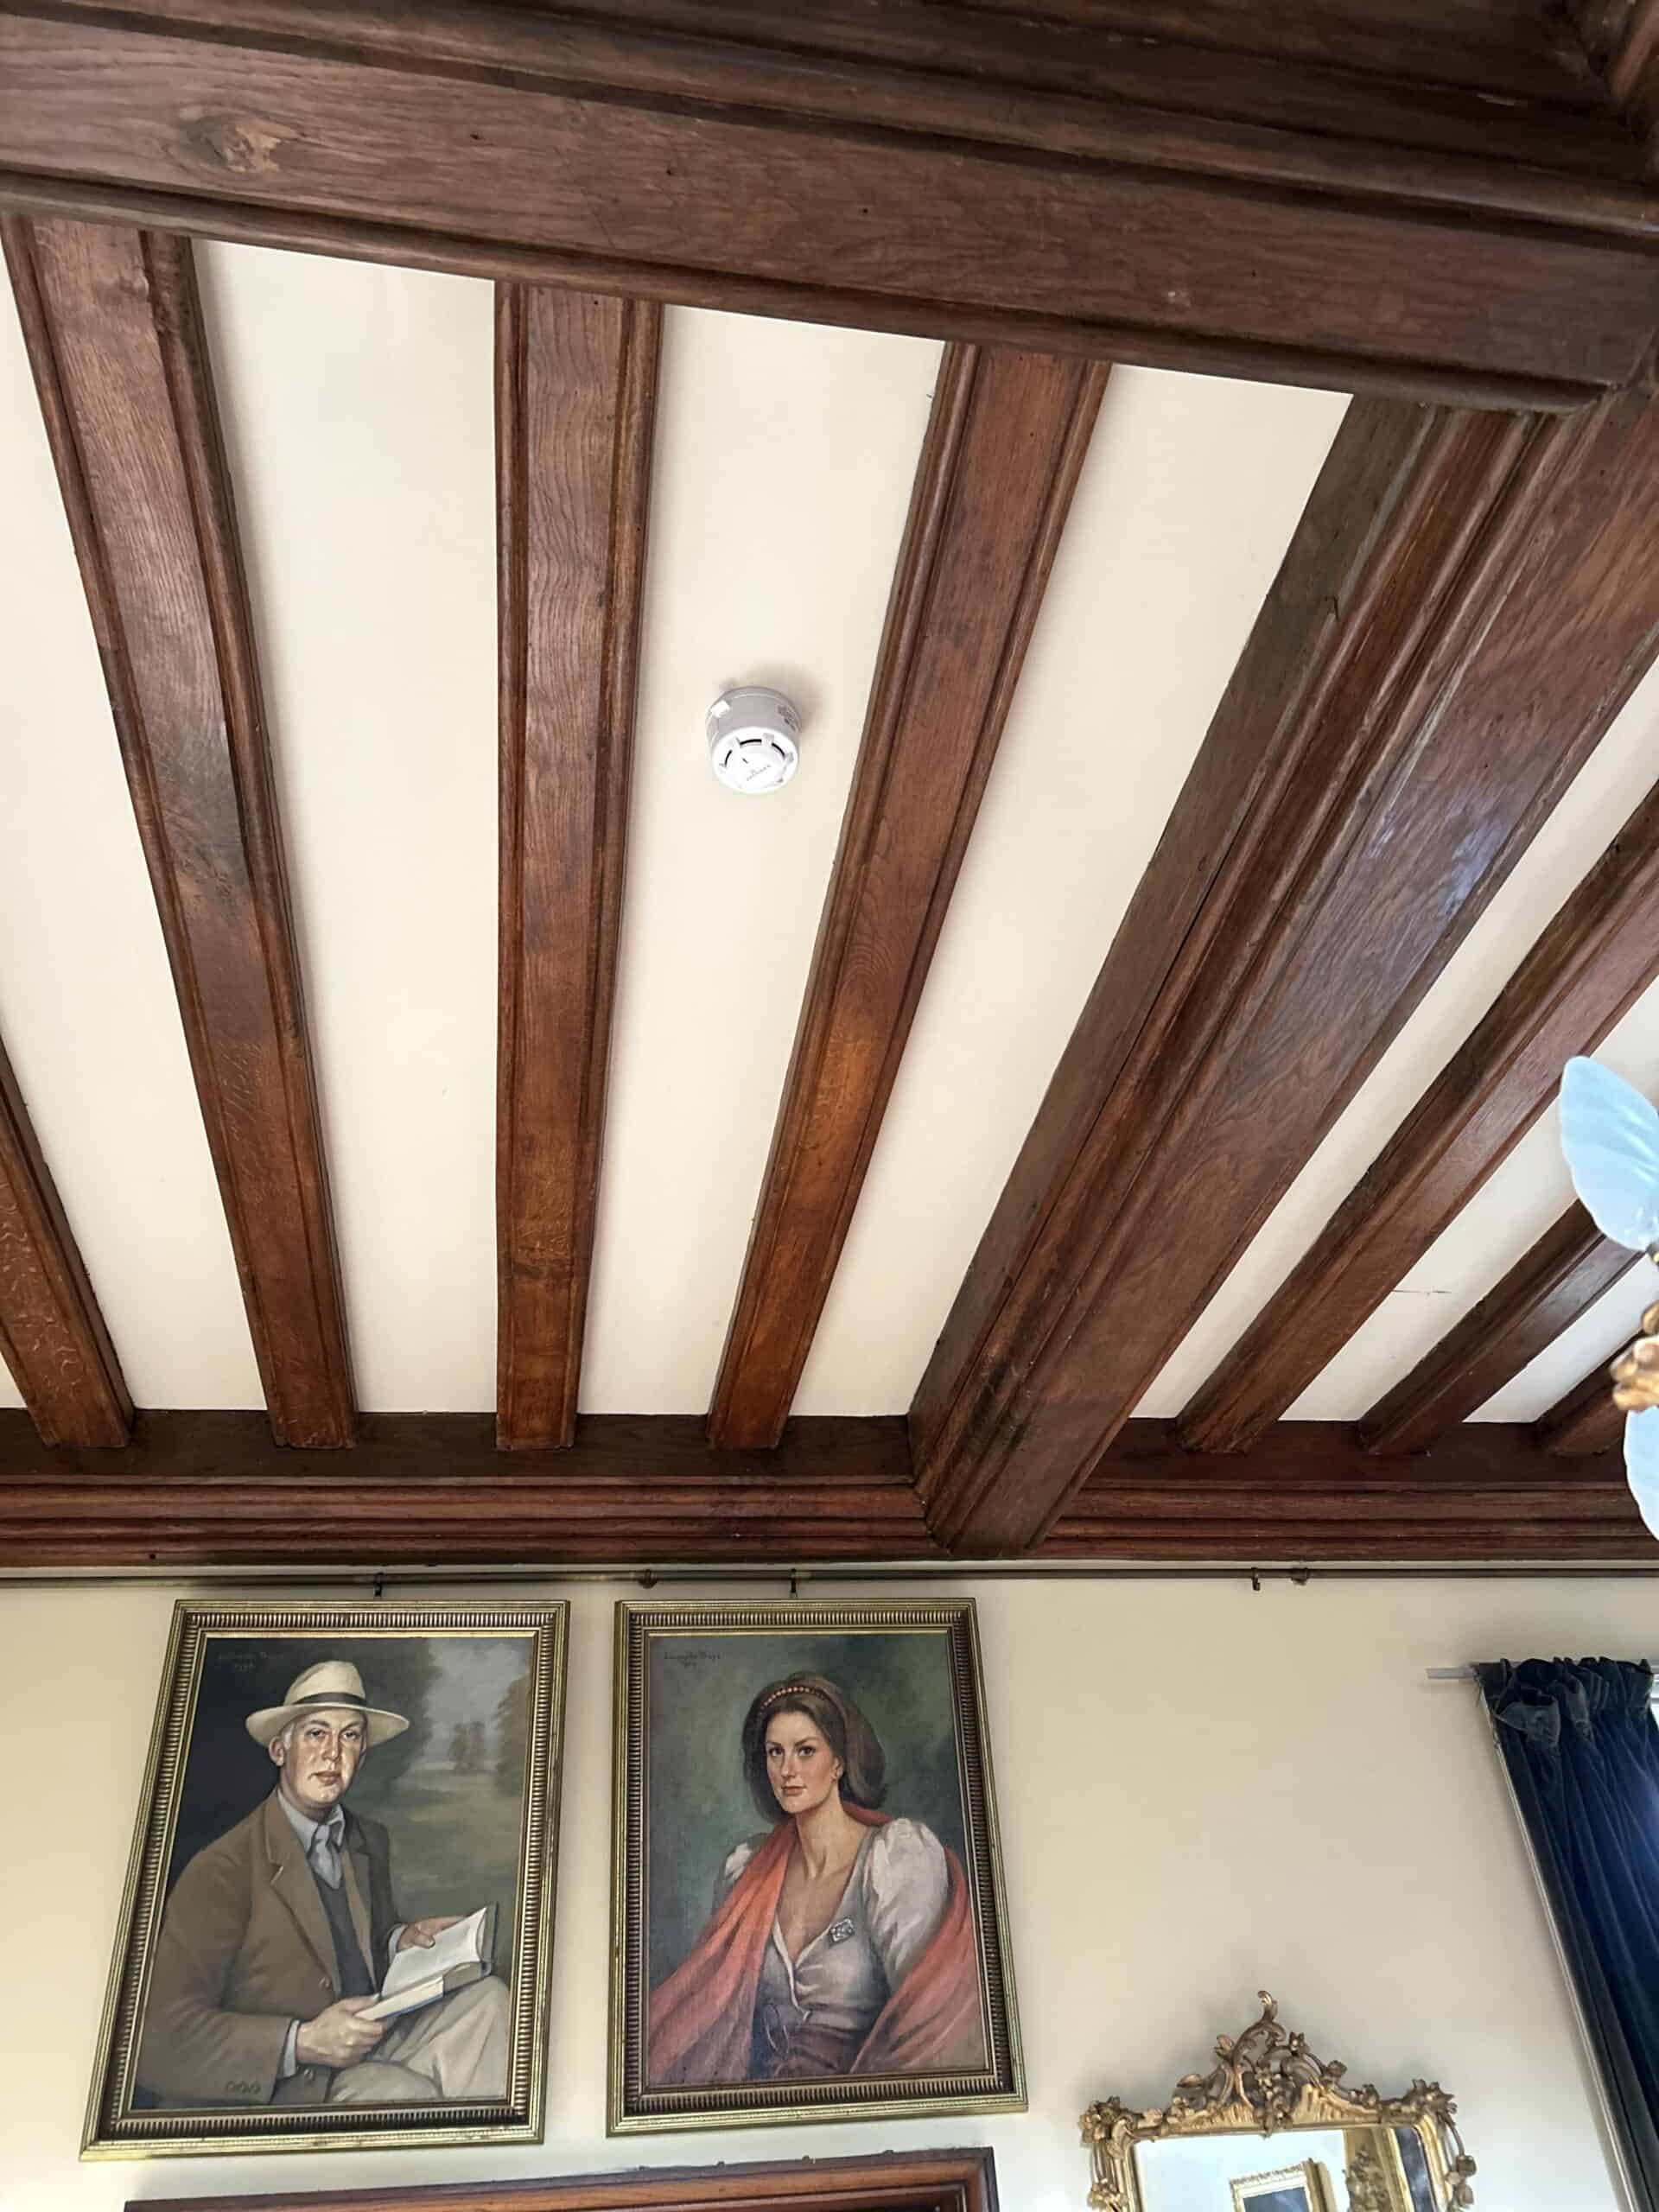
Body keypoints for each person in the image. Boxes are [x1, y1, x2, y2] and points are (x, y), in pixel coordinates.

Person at [137, 1659, 509, 2108]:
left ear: (363, 1753)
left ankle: (489, 2164)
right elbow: (159, 2038)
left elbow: (346, 1944)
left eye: (349, 1735)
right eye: (316, 1733)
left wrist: (397, 1941)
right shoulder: (222, 1868)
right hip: (285, 2081)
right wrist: (302, 2041)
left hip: (369, 2035)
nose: (333, 1753)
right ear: (280, 1750)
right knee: (406, 2096)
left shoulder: (368, 1840)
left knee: (489, 2002)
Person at [648, 1674, 987, 2083]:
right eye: (775, 1752)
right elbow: (717, 2019)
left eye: (806, 1751)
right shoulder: (746, 1870)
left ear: (839, 1762)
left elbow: (929, 2018)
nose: (787, 1770)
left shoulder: (896, 1859)